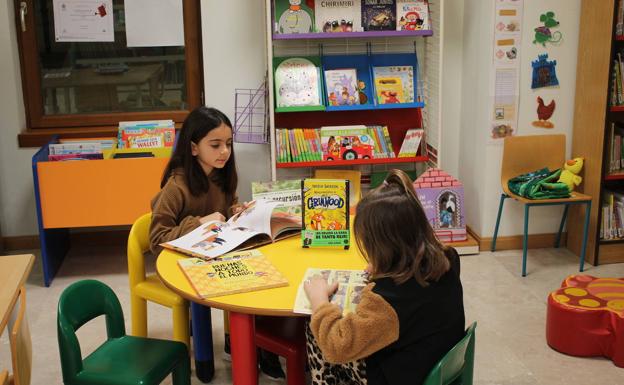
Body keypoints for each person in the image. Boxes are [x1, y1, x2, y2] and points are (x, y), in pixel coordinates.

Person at [149, 106, 285, 380]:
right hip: (184, 262)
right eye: (216, 144)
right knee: (243, 285)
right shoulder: (176, 186)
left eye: (229, 144)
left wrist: (237, 212)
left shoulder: (221, 176)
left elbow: (223, 211)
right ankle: (236, 353)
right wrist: (198, 222)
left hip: (217, 253)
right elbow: (157, 238)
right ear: (194, 148)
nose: (225, 151)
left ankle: (258, 345)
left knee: (263, 275)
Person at [304, 169, 465, 385]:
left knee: (317, 329)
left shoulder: (386, 301)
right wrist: (385, 264)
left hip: (399, 376)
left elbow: (338, 345)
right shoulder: (448, 258)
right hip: (430, 360)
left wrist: (320, 301)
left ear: (382, 248)